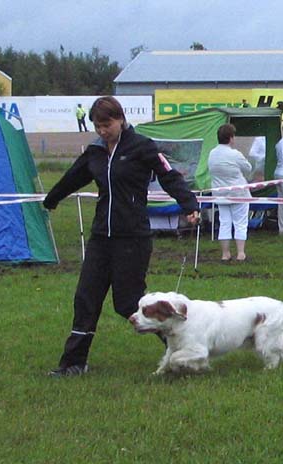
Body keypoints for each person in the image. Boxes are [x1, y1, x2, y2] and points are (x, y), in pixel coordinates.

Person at [43, 96, 199, 376]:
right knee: (85, 298)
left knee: (128, 303)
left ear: (120, 119)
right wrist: (51, 199)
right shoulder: (95, 151)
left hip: (133, 238)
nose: (102, 131)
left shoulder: (141, 146)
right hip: (101, 236)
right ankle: (74, 363)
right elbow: (74, 176)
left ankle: (186, 348)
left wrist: (189, 205)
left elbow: (168, 175)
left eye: (107, 124)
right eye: (97, 126)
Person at [208, 123, 252, 261]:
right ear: (231, 138)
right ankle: (240, 253)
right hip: (238, 193)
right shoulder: (235, 154)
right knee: (240, 223)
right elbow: (248, 168)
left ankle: (225, 254)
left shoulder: (212, 153)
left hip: (220, 194)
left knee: (224, 222)